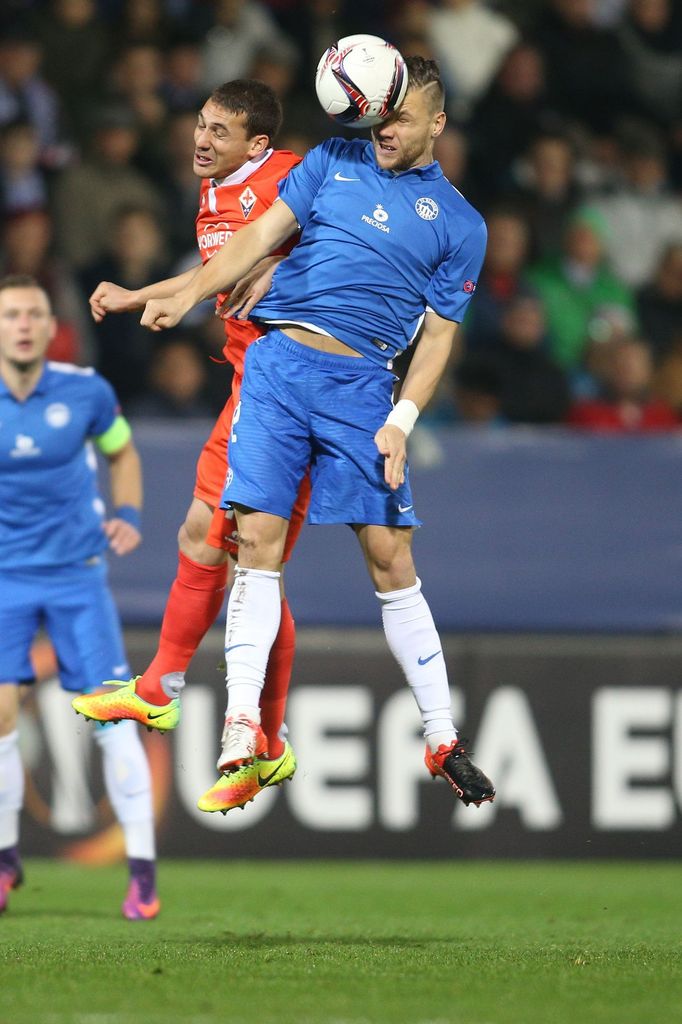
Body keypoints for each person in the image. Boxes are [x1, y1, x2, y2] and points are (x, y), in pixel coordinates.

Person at [123, 56, 496, 809]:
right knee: (251, 546)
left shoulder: (461, 223)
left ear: (437, 124)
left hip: (363, 388)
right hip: (276, 368)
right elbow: (255, 239)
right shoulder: (332, 160)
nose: (385, 128)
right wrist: (190, 295)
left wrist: (402, 421)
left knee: (390, 558)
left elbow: (436, 342)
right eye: (380, 114)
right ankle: (241, 732)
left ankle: (442, 735)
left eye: (401, 117)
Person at [72, 80, 308, 815]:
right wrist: (143, 294)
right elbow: (216, 273)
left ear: (257, 145)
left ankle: (240, 726)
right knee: (217, 542)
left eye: (219, 131)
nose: (200, 140)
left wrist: (279, 266)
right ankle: (169, 694)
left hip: (294, 389)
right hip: (251, 388)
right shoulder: (212, 195)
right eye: (200, 125)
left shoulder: (296, 177)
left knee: (246, 558)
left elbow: (349, 236)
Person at [0, 274, 158, 919]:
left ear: (49, 324)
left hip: (75, 574)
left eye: (34, 313)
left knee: (113, 717)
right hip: (5, 578)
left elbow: (122, 455)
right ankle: (6, 863)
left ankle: (143, 874)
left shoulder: (85, 390)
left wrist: (129, 512)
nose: (24, 324)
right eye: (11, 314)